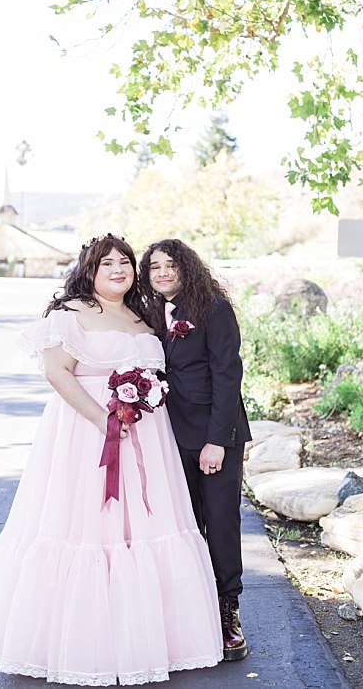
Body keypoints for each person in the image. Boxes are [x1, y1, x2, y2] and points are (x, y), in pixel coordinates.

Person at [0, 233, 223, 685]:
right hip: (86, 435)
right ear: (90, 270)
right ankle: (79, 643)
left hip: (147, 437)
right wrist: (103, 419)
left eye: (125, 262)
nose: (119, 269)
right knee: (86, 528)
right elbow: (56, 372)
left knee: (142, 528)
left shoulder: (143, 317)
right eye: (108, 264)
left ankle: (146, 637)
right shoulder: (70, 314)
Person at [137, 239, 252, 661]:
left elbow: (227, 375)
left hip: (213, 434)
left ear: (186, 267)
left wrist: (216, 441)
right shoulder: (146, 313)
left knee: (220, 522)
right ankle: (189, 612)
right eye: (154, 267)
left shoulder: (214, 308)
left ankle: (228, 612)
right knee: (182, 526)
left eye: (170, 265)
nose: (163, 272)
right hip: (166, 435)